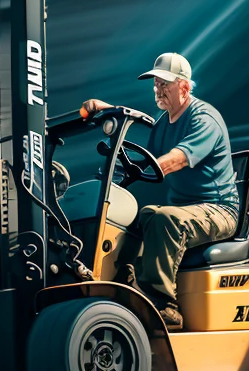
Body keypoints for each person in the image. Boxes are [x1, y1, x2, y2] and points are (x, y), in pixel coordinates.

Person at [81, 52, 238, 329]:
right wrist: (111, 176)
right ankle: (123, 282)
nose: (158, 88)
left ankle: (164, 306)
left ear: (185, 87)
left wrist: (149, 167)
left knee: (165, 218)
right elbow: (144, 159)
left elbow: (175, 159)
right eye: (155, 83)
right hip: (187, 210)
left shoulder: (204, 118)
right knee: (141, 216)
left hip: (218, 209)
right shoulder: (163, 124)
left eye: (165, 83)